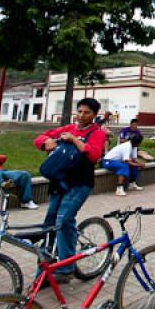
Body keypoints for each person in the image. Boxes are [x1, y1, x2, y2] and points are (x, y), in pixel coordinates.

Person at [33, 98, 105, 284]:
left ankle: (66, 268)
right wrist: (46, 142)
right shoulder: (67, 128)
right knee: (50, 223)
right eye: (79, 111)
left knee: (63, 219)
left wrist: (74, 140)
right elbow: (39, 138)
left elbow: (94, 155)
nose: (81, 116)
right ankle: (46, 266)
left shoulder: (97, 133)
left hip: (80, 184)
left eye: (86, 113)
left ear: (94, 115)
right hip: (59, 183)